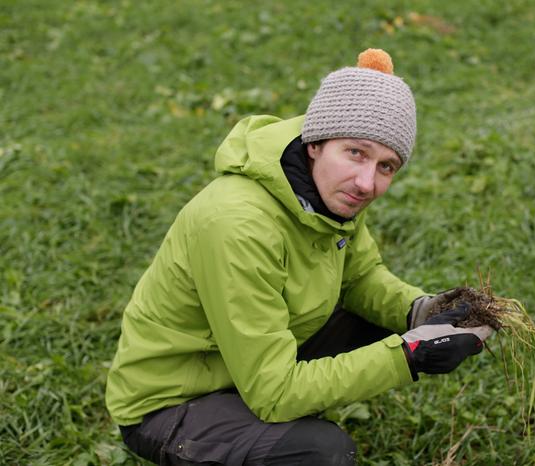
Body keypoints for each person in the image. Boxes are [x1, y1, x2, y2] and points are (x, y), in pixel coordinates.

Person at [105, 48, 493, 466]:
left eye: (387, 166)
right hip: (172, 401)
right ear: (316, 143)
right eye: (356, 153)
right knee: (320, 454)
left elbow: (360, 278)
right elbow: (273, 393)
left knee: (378, 321)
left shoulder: (331, 194)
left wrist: (417, 311)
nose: (367, 183)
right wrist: (408, 356)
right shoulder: (237, 224)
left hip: (243, 367)